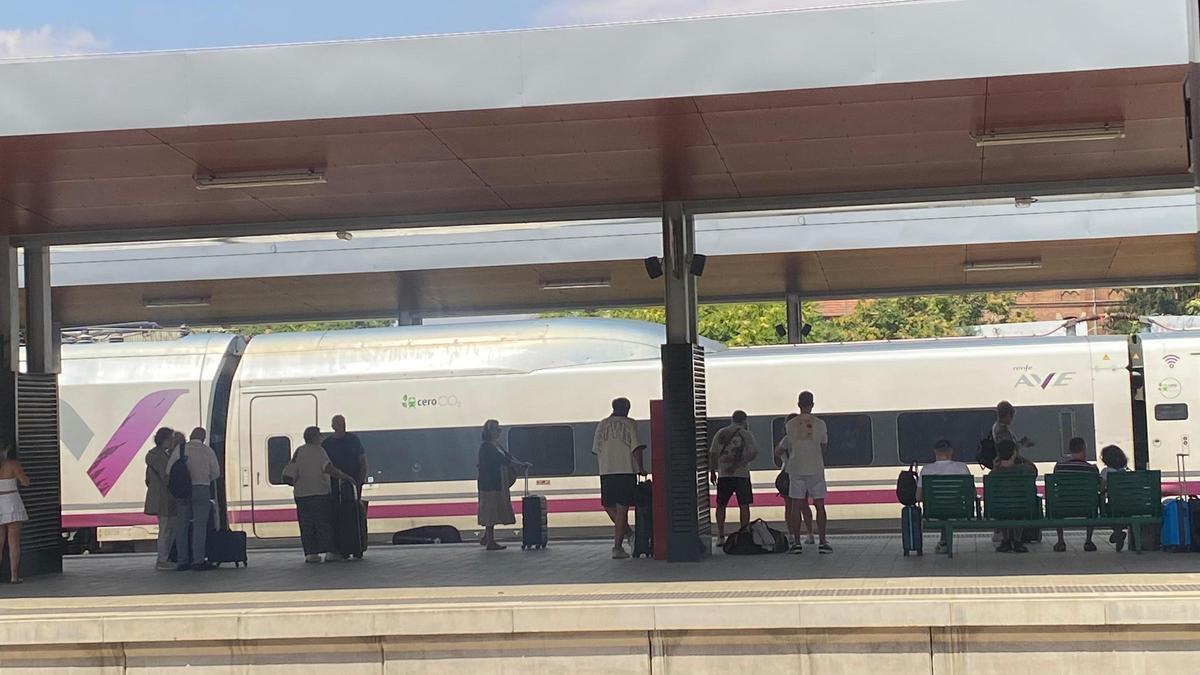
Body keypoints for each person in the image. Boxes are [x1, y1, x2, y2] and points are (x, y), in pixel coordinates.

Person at [285, 426, 355, 563]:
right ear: (315, 437)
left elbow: (289, 474)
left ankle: (311, 554)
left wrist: (301, 483)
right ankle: (330, 552)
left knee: (306, 525)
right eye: (319, 435)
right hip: (319, 494)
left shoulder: (299, 451)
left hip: (301, 496)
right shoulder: (319, 451)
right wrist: (345, 476)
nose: (321, 437)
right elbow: (328, 468)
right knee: (323, 524)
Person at [593, 397, 645, 560]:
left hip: (606, 471)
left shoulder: (602, 424)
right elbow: (636, 448)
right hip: (625, 471)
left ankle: (628, 536)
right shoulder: (630, 423)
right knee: (622, 509)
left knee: (608, 505)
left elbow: (596, 449)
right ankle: (618, 546)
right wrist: (641, 468)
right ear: (627, 409)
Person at [166, 427, 222, 571]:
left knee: (182, 526)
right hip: (201, 489)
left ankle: (182, 561)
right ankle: (198, 560)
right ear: (203, 438)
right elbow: (216, 473)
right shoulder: (207, 451)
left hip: (183, 491)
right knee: (200, 526)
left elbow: (169, 470)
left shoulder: (180, 449)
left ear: (191, 436)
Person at [785, 391, 832, 554]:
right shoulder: (821, 424)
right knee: (819, 505)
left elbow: (789, 445)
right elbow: (824, 446)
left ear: (798, 404)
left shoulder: (790, 424)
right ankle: (823, 541)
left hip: (796, 468)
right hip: (815, 468)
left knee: (796, 506)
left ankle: (797, 543)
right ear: (812, 404)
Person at [476, 419, 531, 551]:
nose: (499, 431)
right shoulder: (487, 447)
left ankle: (487, 537)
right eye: (497, 429)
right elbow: (504, 460)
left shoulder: (496, 445)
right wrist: (520, 465)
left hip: (497, 483)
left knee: (493, 510)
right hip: (489, 484)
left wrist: (521, 463)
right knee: (490, 511)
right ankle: (490, 541)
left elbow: (509, 457)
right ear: (489, 431)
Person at [709, 410, 759, 543]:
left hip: (724, 475)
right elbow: (753, 453)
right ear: (744, 420)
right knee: (744, 505)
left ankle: (720, 535)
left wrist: (713, 470)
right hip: (742, 475)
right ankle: (743, 534)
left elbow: (713, 453)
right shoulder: (746, 434)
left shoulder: (721, 433)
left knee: (721, 504)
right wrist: (739, 465)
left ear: (732, 419)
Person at [322, 415, 368, 559]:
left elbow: (362, 462)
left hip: (351, 484)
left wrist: (359, 481)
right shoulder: (345, 441)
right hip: (340, 485)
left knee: (348, 514)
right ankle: (349, 546)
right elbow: (362, 462)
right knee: (342, 515)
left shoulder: (331, 443)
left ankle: (350, 546)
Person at [917, 439, 972, 554]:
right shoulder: (962, 467)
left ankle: (943, 542)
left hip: (933, 511)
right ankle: (944, 542)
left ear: (935, 452)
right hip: (958, 510)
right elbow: (972, 493)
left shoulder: (926, 470)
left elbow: (918, 497)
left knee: (942, 509)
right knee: (948, 508)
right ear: (950, 452)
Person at [1052, 437, 1100, 552]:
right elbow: (1098, 487)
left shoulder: (1059, 467)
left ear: (1070, 450)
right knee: (1092, 502)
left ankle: (1060, 541)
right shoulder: (1091, 469)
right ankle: (1088, 541)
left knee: (1059, 502)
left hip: (1062, 507)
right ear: (1084, 449)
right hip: (1086, 507)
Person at [990, 440, 1036, 553]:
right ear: (1014, 453)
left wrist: (995, 466)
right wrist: (1020, 457)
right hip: (1021, 508)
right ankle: (1017, 541)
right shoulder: (1025, 470)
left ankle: (1006, 540)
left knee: (1004, 508)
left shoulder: (993, 474)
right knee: (1018, 509)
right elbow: (1034, 469)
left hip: (999, 509)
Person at [143, 427, 178, 571]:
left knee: (166, 528)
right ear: (164, 440)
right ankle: (163, 559)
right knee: (166, 529)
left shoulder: (154, 456)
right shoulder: (160, 457)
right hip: (164, 497)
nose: (171, 442)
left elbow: (148, 480)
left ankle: (163, 558)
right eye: (170, 439)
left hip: (159, 496)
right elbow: (167, 476)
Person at [0, 444, 30, 584]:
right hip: (11, 502)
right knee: (14, 543)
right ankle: (14, 576)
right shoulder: (12, 464)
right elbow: (25, 482)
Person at [774, 413, 806, 546]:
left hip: (787, 474)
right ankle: (808, 533)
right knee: (802, 505)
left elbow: (777, 453)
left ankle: (792, 535)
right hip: (802, 473)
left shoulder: (786, 439)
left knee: (789, 506)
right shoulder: (804, 437)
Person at [1100, 444, 1131, 551]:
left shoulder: (1106, 472)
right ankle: (1118, 533)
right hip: (1129, 506)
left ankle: (1117, 532)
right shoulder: (1126, 472)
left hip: (1114, 507)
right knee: (1119, 510)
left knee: (1108, 511)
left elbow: (1101, 488)